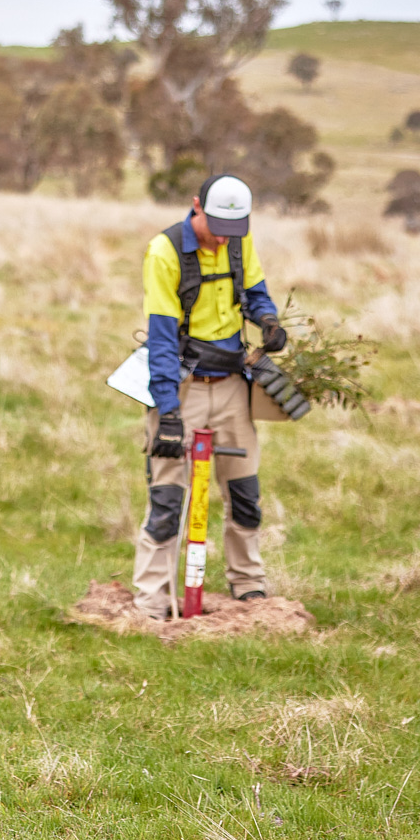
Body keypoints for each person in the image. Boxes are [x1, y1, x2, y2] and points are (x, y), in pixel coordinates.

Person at [132, 173, 286, 617]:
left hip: (234, 386)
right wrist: (168, 411)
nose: (222, 239)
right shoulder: (165, 252)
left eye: (232, 231)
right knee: (166, 498)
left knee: (244, 492)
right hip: (182, 383)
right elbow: (161, 338)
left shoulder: (238, 239)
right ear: (196, 206)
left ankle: (248, 585)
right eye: (216, 227)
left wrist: (268, 320)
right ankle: (151, 601)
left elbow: (254, 292)